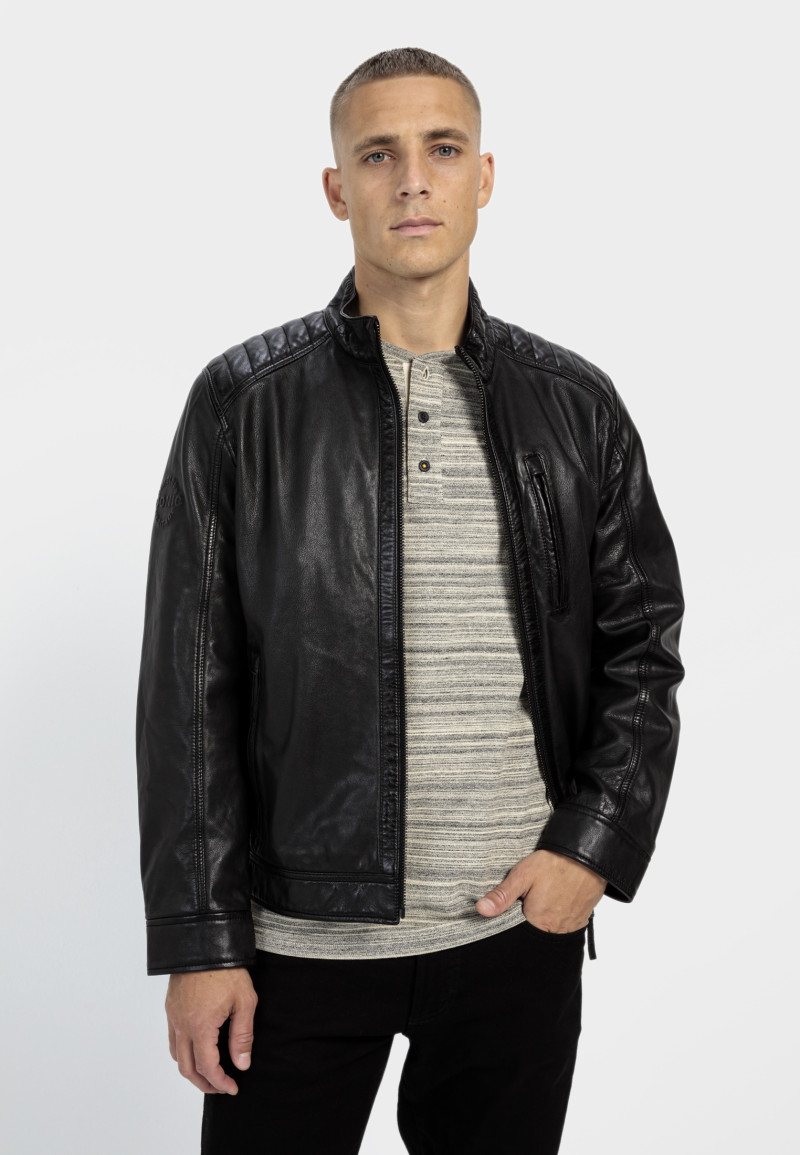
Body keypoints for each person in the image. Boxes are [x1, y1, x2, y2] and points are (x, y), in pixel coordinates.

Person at [135, 46, 685, 1155]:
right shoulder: (244, 404)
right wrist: (201, 941)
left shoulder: (575, 406)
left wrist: (590, 847)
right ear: (336, 189)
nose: (413, 180)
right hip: (297, 948)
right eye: (378, 155)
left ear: (485, 176)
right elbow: (190, 691)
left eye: (441, 149)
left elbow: (642, 650)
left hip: (513, 931)